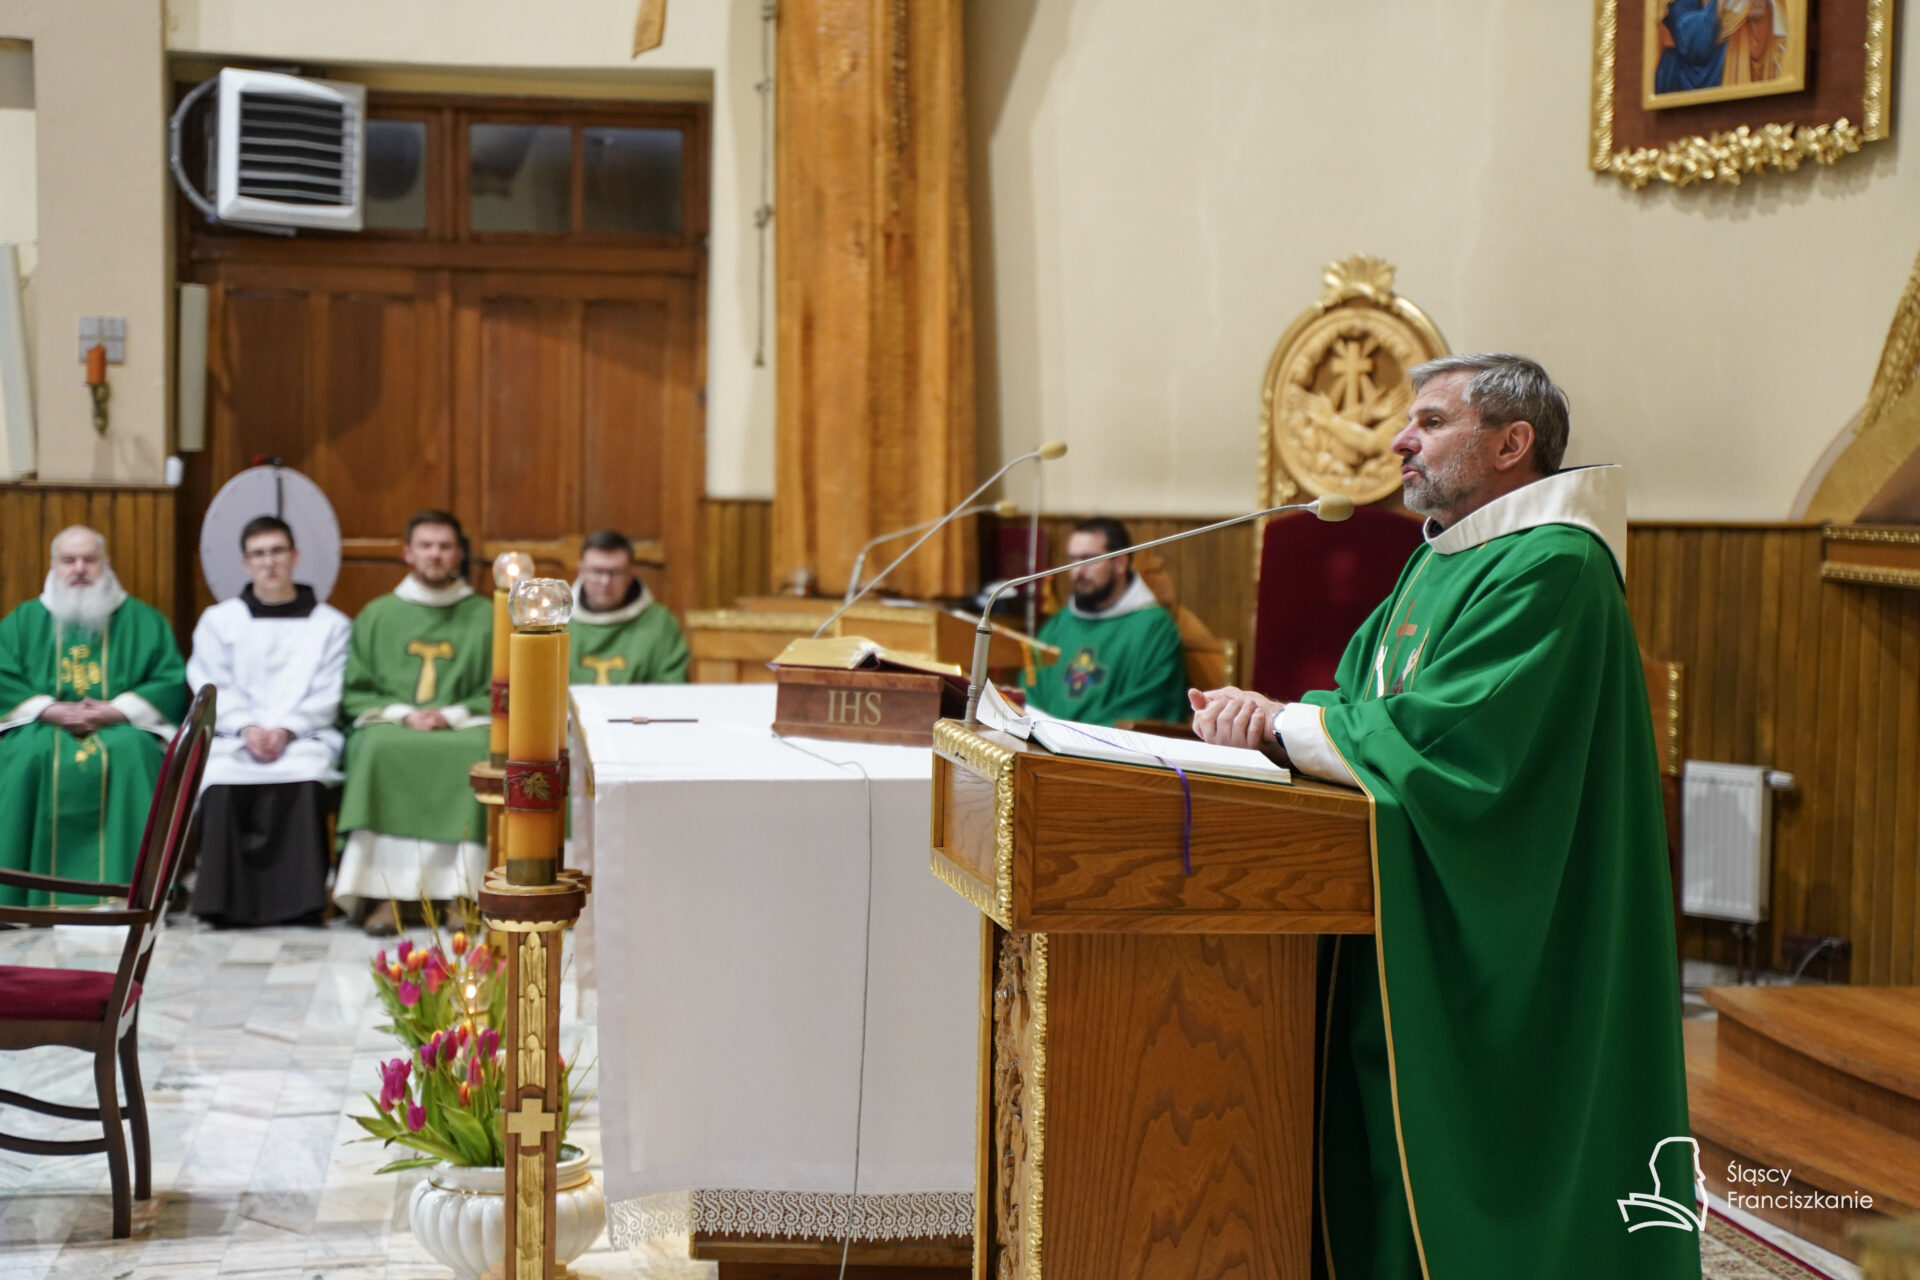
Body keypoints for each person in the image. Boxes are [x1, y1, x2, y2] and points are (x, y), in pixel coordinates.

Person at [1190, 355, 1695, 1280]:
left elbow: (1458, 743)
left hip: (1514, 924)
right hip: (1405, 899)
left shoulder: (1556, 564)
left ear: (1512, 443)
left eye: (1429, 421)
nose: (1399, 440)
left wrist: (1286, 725)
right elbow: (1362, 705)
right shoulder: (1436, 560)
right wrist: (1272, 722)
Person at [0, 526, 187, 906]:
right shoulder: (23, 621)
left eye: (89, 559)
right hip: (41, 724)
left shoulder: (143, 620)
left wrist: (117, 710)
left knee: (134, 752)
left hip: (120, 726)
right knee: (26, 755)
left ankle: (134, 898)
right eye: (69, 560)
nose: (79, 569)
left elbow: (169, 679)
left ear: (106, 563)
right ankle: (16, 895)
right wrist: (47, 709)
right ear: (54, 565)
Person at [185, 516, 350, 927]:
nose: (269, 562)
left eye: (277, 551)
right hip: (236, 737)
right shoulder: (219, 621)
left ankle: (302, 903)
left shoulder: (330, 624)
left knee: (307, 771)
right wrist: (247, 727)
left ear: (295, 556)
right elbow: (209, 681)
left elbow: (329, 689)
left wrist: (286, 729)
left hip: (303, 737)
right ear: (245, 563)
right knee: (219, 774)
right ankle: (221, 904)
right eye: (258, 554)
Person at [333, 510, 492, 936]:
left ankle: (463, 894)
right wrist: (404, 714)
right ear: (408, 553)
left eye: (444, 546)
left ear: (458, 554)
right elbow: (356, 688)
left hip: (463, 724)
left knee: (480, 752)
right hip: (394, 723)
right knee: (377, 747)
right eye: (425, 545)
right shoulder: (377, 614)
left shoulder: (487, 615)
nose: (435, 554)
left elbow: (501, 687)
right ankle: (387, 895)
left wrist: (450, 714)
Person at [1021, 517, 1188, 725]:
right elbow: (1030, 688)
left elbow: (1151, 703)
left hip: (1108, 745)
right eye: (1072, 559)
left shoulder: (1154, 627)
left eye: (1088, 559)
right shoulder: (1058, 625)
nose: (1077, 571)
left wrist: (1078, 736)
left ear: (1120, 563)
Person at [568, 529, 690, 685]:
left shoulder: (660, 623)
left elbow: (672, 689)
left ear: (631, 574)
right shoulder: (559, 623)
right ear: (581, 571)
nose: (605, 582)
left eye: (615, 572)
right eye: (597, 571)